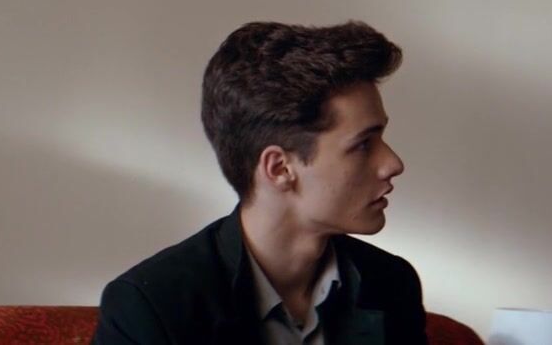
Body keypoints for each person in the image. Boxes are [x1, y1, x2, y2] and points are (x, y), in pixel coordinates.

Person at [93, 21, 427, 344]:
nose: (393, 163)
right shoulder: (151, 307)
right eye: (363, 144)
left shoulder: (391, 283)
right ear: (279, 168)